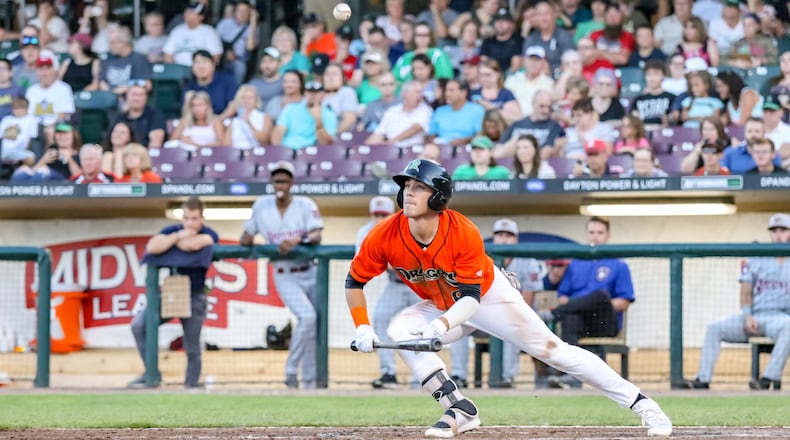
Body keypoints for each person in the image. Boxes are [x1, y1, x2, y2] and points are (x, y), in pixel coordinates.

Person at [345, 159, 672, 438]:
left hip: (487, 296)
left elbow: (471, 299)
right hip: (440, 303)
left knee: (553, 352)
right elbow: (355, 280)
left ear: (438, 197)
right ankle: (459, 410)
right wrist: (362, 327)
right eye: (407, 186)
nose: (409, 193)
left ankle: (645, 405)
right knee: (399, 333)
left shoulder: (462, 231)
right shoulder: (384, 234)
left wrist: (441, 325)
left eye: (419, 187)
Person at [681, 213, 790, 391]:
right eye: (774, 230)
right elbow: (745, 291)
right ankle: (702, 379)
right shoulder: (758, 256)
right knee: (714, 328)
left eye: (783, 230)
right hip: (754, 316)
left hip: (780, 318)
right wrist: (747, 317)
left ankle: (767, 379)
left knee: (789, 326)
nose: (778, 234)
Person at [240, 161, 324, 388]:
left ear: (291, 183)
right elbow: (246, 235)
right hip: (283, 272)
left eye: (285, 180)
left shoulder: (305, 204)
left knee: (314, 326)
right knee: (308, 317)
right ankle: (290, 370)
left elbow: (316, 235)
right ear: (272, 182)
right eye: (277, 180)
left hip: (309, 269)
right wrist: (247, 239)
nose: (281, 184)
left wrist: (300, 239)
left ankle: (309, 379)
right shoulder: (261, 205)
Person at [129, 196, 219, 388]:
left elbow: (194, 244)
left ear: (202, 218)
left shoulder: (209, 233)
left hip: (195, 294)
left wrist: (174, 243)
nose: (189, 223)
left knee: (192, 346)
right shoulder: (173, 231)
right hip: (172, 292)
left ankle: (191, 385)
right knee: (138, 325)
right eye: (186, 218)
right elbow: (152, 247)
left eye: (194, 218)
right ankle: (151, 374)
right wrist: (179, 236)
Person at [543, 216, 634, 388]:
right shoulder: (576, 262)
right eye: (592, 232)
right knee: (570, 318)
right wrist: (582, 306)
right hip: (579, 321)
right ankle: (568, 377)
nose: (595, 236)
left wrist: (596, 303)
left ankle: (552, 314)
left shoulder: (619, 264)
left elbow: (623, 302)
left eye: (600, 232)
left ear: (608, 235)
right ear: (586, 234)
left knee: (599, 296)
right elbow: (562, 296)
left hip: (605, 322)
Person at [356, 195, 419, 389]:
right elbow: (363, 261)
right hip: (395, 285)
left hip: (420, 284)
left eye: (383, 215)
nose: (379, 218)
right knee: (381, 318)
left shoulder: (409, 224)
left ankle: (422, 375)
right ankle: (388, 373)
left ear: (392, 214)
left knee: (421, 327)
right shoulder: (366, 232)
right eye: (376, 214)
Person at [271, 80, 337, 149]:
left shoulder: (329, 114)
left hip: (310, 153)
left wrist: (318, 120)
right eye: (310, 92)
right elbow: (278, 133)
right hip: (287, 150)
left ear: (323, 94)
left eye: (316, 93)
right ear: (305, 93)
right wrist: (277, 150)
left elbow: (325, 143)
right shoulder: (290, 108)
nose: (313, 95)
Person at [364, 80, 432, 145]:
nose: (421, 95)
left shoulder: (425, 109)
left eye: (421, 92)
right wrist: (367, 146)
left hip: (412, 150)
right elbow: (379, 133)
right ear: (405, 93)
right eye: (417, 92)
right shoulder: (392, 111)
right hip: (389, 150)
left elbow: (415, 128)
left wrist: (391, 142)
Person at [163, 2, 223, 67]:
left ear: (201, 17)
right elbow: (168, 54)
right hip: (178, 70)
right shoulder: (177, 30)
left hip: (199, 70)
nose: (187, 15)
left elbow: (216, 56)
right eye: (187, 12)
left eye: (191, 13)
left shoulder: (209, 32)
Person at [110, 81, 166, 148]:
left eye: (140, 95)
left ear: (146, 98)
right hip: (123, 155)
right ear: (127, 97)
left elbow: (155, 143)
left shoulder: (155, 115)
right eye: (134, 94)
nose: (136, 98)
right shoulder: (120, 117)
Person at [184, 50, 238, 118]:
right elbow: (185, 116)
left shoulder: (227, 81)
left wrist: (219, 120)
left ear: (213, 65)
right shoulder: (189, 86)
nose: (201, 66)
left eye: (205, 62)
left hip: (223, 121)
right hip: (198, 125)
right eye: (197, 62)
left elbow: (233, 106)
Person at [223, 84, 271, 149]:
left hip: (256, 154)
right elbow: (226, 145)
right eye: (243, 97)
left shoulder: (264, 117)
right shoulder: (234, 121)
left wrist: (248, 122)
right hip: (236, 154)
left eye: (250, 97)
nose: (246, 100)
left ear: (256, 100)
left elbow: (264, 141)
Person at [631, 60, 675, 129]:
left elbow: (674, 121)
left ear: (663, 76)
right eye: (648, 74)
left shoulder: (671, 98)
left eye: (656, 74)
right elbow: (634, 122)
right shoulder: (638, 99)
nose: (652, 78)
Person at [479, 8, 524, 73]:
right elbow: (484, 63)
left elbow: (515, 67)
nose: (500, 23)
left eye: (504, 20)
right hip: (490, 77)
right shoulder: (487, 41)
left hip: (511, 79)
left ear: (512, 24)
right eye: (497, 20)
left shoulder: (518, 41)